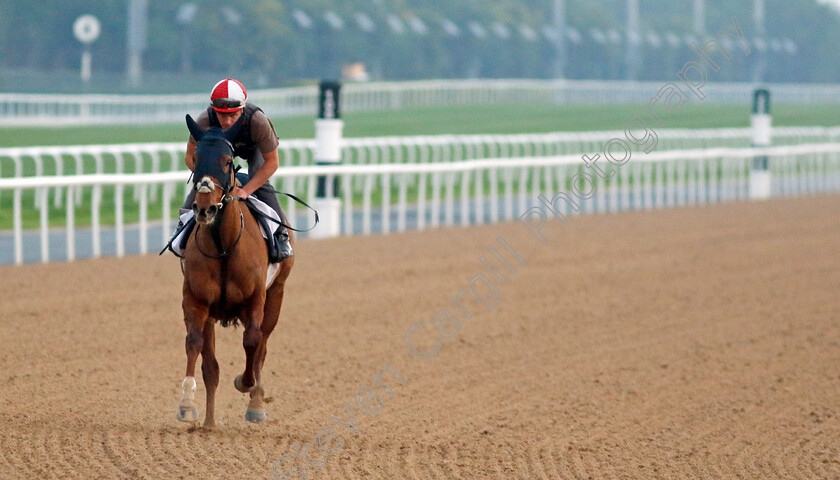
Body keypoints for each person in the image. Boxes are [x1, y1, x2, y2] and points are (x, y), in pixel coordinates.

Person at [180, 78, 292, 261]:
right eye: (222, 115)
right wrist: (209, 181)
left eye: (233, 115)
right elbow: (189, 156)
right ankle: (182, 228)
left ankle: (281, 233)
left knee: (259, 180)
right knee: (203, 184)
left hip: (253, 149)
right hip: (217, 154)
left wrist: (246, 190)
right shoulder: (204, 121)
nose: (228, 121)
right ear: (214, 110)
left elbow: (272, 162)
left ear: (242, 109)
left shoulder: (257, 121)